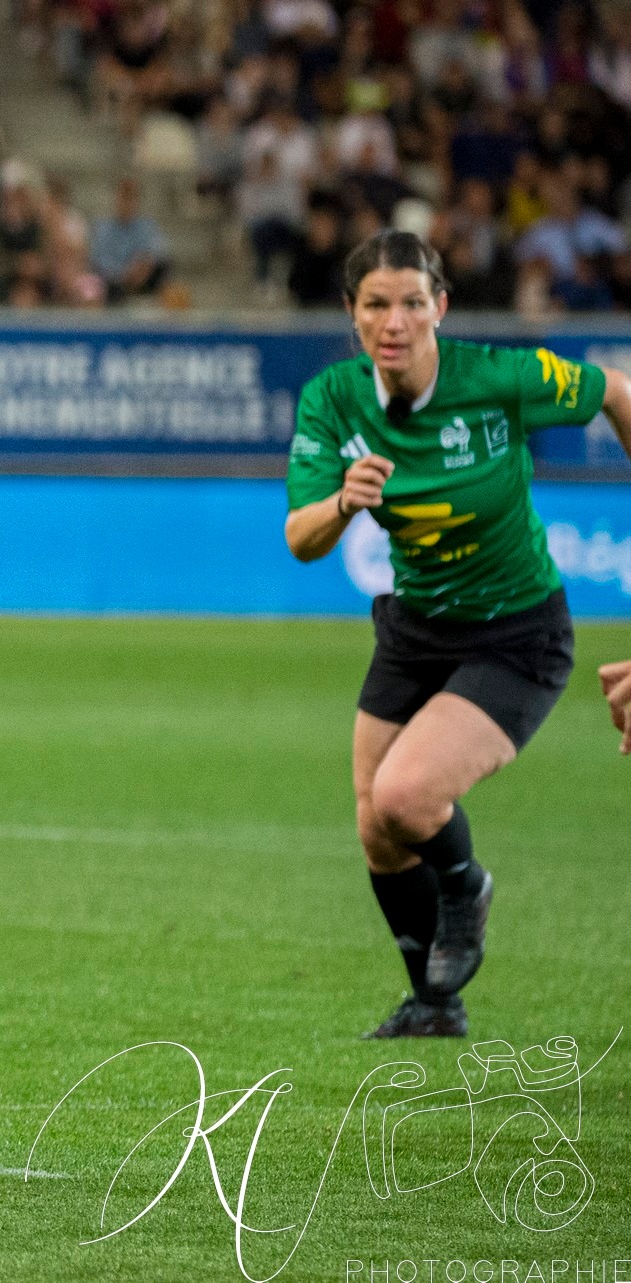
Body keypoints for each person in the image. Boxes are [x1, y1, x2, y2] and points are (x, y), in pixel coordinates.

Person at [284, 230, 631, 1039]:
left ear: (440, 307)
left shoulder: (497, 377)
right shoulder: (334, 399)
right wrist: (342, 501)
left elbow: (616, 390)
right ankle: (434, 1003)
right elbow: (300, 538)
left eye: (412, 302)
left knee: (407, 797)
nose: (395, 321)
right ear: (352, 313)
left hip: (516, 633)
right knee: (376, 823)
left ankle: (466, 885)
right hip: (415, 627)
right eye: (377, 304)